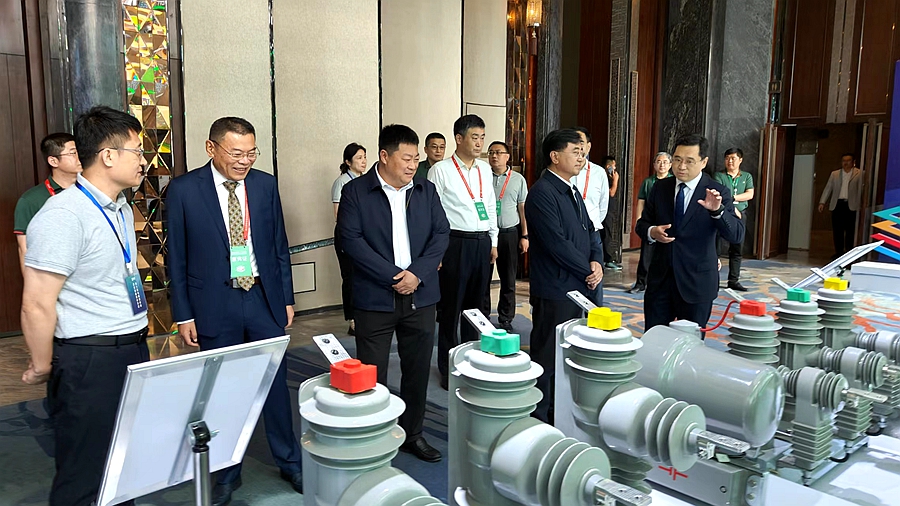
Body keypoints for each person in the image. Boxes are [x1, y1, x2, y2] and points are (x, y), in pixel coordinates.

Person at [167, 117, 302, 505]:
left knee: (274, 384)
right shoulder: (183, 190)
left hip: (261, 298)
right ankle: (226, 471)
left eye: (251, 152)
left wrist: (286, 297)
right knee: (222, 391)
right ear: (212, 149)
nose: (245, 161)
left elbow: (278, 246)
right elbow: (176, 257)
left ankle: (289, 461)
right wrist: (184, 314)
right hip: (214, 302)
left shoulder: (265, 185)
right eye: (236, 153)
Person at [20, 106, 149, 506]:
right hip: (89, 360)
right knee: (84, 475)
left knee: (124, 467)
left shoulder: (120, 207)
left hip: (131, 349)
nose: (144, 160)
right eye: (137, 151)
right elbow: (36, 303)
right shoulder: (63, 215)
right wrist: (43, 365)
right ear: (108, 156)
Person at [338, 124, 450, 463]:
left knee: (417, 370)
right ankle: (374, 435)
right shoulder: (356, 192)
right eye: (407, 158)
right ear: (384, 156)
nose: (413, 165)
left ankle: (413, 434)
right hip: (375, 298)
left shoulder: (426, 190)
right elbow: (350, 241)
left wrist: (417, 274)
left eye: (416, 159)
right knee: (372, 373)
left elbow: (441, 234)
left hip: (420, 295)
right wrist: (393, 276)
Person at [525, 129, 603, 424]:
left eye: (583, 152)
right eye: (575, 152)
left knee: (569, 351)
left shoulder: (571, 189)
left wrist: (596, 261)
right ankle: (539, 415)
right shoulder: (542, 193)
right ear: (555, 156)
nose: (582, 158)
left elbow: (590, 230)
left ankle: (560, 411)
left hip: (578, 284)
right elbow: (556, 244)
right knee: (547, 355)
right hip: (555, 287)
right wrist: (587, 270)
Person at [635, 134, 744, 331]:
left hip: (697, 284)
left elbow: (736, 234)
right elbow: (642, 224)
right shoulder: (660, 187)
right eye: (677, 159)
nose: (681, 166)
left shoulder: (717, 191)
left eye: (689, 161)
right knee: (655, 340)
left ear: (704, 162)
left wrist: (717, 212)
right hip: (660, 283)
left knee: (691, 344)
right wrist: (652, 232)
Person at [428, 114, 498, 390]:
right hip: (454, 243)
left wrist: (493, 240)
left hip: (481, 242)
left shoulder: (484, 170)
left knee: (476, 308)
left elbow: (489, 205)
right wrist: (436, 252)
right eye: (474, 137)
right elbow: (433, 214)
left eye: (482, 137)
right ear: (459, 138)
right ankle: (448, 368)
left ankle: (471, 362)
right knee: (451, 309)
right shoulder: (441, 170)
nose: (480, 143)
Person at [14, 133, 82, 274]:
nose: (80, 157)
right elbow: (24, 249)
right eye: (73, 153)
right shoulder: (31, 200)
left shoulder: (90, 192)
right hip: (54, 275)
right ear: (53, 161)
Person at [482, 141, 529, 332]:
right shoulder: (482, 176)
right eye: (491, 152)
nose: (494, 156)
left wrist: (525, 235)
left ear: (507, 156)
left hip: (509, 233)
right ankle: (483, 315)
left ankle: (506, 318)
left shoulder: (518, 179)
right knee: (483, 278)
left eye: (499, 152)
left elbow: (522, 208)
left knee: (508, 279)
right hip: (485, 234)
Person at [332, 143, 367, 335]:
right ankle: (352, 319)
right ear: (348, 161)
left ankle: (363, 316)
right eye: (359, 158)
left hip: (365, 235)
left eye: (364, 157)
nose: (363, 161)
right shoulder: (342, 182)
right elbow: (339, 215)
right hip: (347, 235)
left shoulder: (365, 181)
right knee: (350, 277)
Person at [571, 128, 609, 305]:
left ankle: (594, 318)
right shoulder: (565, 170)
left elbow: (603, 205)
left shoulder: (599, 172)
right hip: (570, 234)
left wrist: (591, 224)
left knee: (594, 278)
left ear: (589, 146)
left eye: (581, 143)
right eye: (574, 143)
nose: (578, 147)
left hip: (592, 233)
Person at [629, 152, 673, 293]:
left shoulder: (674, 181)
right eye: (659, 162)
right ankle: (641, 283)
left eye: (665, 162)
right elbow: (641, 201)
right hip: (650, 222)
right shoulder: (648, 182)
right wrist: (639, 220)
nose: (662, 165)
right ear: (654, 165)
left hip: (667, 222)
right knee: (646, 255)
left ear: (670, 165)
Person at [714, 148, 754, 291]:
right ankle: (713, 279)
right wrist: (732, 208)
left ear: (740, 160)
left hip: (740, 214)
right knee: (715, 247)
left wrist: (731, 198)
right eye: (727, 158)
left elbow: (749, 194)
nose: (729, 161)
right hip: (722, 213)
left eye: (733, 158)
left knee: (737, 248)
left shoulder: (747, 176)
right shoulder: (719, 176)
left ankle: (733, 280)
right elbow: (719, 195)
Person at [818, 153, 864, 258]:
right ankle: (839, 252)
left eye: (848, 161)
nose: (845, 163)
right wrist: (822, 202)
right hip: (838, 205)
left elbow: (863, 190)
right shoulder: (835, 174)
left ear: (853, 162)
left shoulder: (860, 173)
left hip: (851, 205)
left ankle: (848, 252)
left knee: (850, 230)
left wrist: (862, 204)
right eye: (844, 161)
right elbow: (828, 188)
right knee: (837, 230)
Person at [600, 155, 621, 270]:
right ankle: (608, 259)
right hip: (605, 210)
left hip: (610, 209)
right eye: (614, 165)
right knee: (606, 233)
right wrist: (616, 181)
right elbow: (611, 192)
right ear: (608, 166)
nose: (615, 168)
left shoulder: (608, 177)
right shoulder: (603, 177)